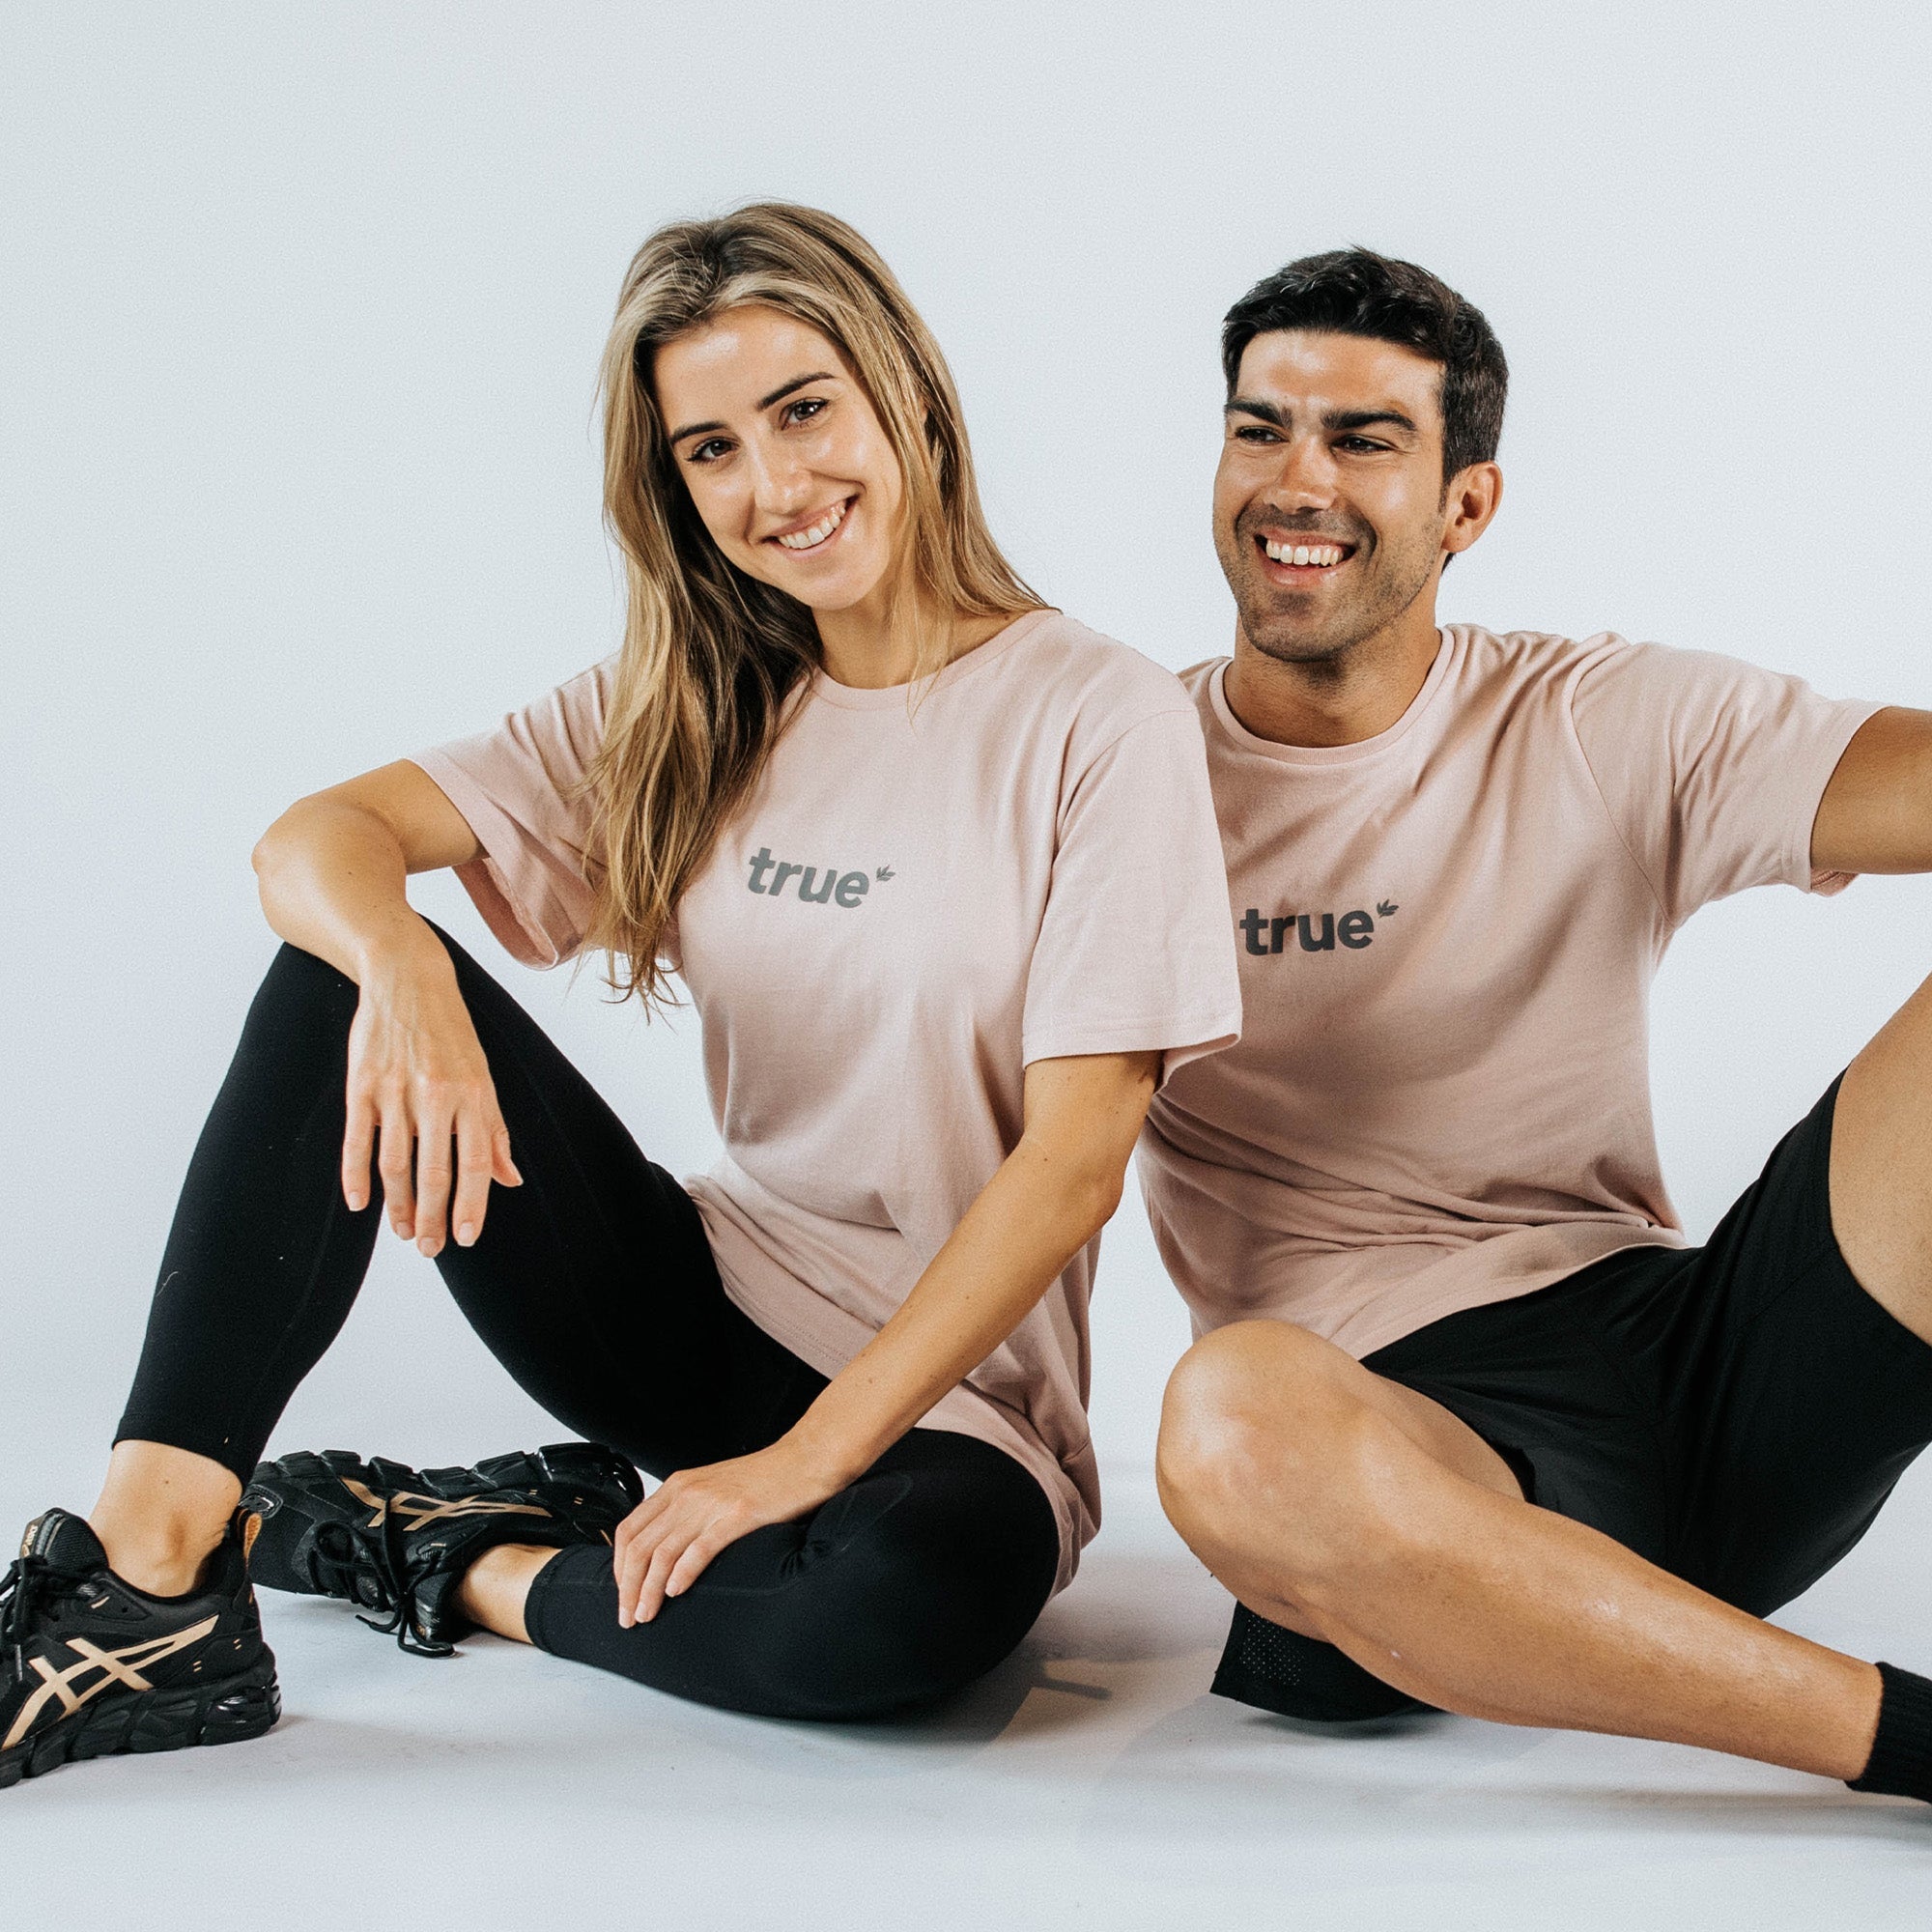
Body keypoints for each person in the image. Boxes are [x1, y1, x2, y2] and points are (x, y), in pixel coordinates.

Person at [0, 203, 1240, 1786]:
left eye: (804, 411)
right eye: (713, 449)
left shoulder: (1099, 719)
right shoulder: (695, 700)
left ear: (909, 399)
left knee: (900, 1616)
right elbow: (313, 840)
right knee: (332, 976)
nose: (775, 485)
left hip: (953, 1407)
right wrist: (403, 966)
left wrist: (802, 1463)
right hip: (691, 1310)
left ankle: (452, 1556)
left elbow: (1074, 1167)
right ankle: (149, 1584)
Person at [1144, 246, 1932, 1807]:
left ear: (1466, 505)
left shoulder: (1592, 718)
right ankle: (1901, 1740)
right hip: (1397, 1450)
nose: (1298, 482)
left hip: (1705, 1374)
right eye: (1259, 430)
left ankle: (1648, 1632)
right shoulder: (1119, 778)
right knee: (1231, 1416)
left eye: (1363, 439)